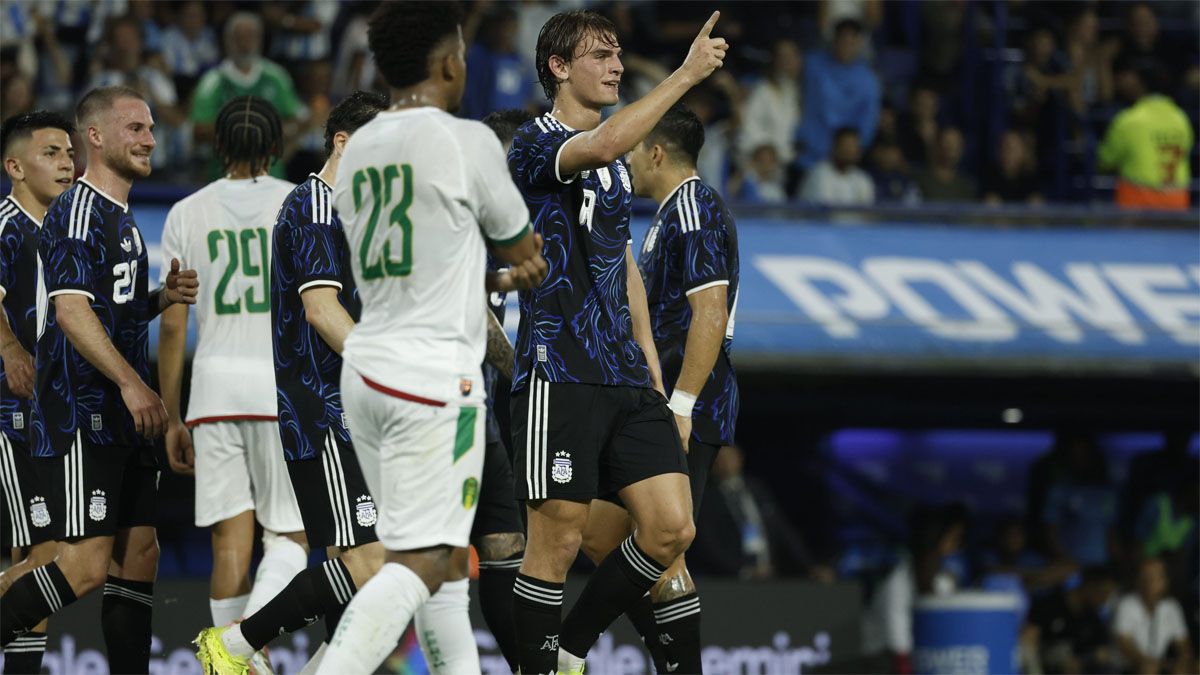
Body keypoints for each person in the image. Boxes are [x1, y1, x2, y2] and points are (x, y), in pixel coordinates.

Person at [315, 3, 548, 673]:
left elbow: (434, 251)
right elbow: (517, 240)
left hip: (366, 370)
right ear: (448, 64)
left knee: (443, 563)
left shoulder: (357, 149)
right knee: (416, 560)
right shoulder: (466, 140)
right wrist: (520, 263)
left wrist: (495, 275)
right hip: (432, 377)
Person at [506, 9, 727, 674]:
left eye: (618, 55)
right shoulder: (534, 145)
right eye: (600, 56)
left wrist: (652, 366)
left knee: (672, 528)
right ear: (558, 67)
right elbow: (600, 147)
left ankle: (571, 649)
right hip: (558, 372)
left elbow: (620, 260)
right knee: (556, 542)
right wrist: (686, 75)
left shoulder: (615, 169)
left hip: (626, 377)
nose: (616, 66)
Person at [0, 87, 199, 673]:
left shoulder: (122, 219)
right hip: (83, 408)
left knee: (140, 554)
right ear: (96, 136)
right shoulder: (77, 210)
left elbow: (111, 311)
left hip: (122, 413)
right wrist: (134, 385)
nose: (149, 139)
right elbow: (70, 311)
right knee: (83, 567)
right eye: (135, 127)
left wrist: (162, 298)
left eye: (151, 128)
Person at [193, 90, 390, 675]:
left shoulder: (362, 212)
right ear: (343, 143)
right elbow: (322, 311)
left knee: (361, 583)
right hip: (325, 411)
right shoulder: (315, 204)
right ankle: (234, 644)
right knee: (377, 562)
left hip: (359, 412)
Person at [561, 103, 739, 674]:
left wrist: (682, 405)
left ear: (657, 153)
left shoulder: (697, 207)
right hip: (652, 402)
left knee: (662, 541)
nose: (629, 158)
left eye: (636, 149)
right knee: (602, 533)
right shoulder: (668, 214)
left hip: (690, 401)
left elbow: (710, 310)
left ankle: (568, 649)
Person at [157, 96, 307, 663]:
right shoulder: (296, 202)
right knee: (291, 538)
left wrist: (172, 414)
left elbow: (173, 328)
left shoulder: (185, 212)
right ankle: (243, 649)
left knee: (228, 543)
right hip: (278, 390)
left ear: (217, 146)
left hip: (213, 394)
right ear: (277, 146)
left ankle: (233, 658)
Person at [0, 110, 76, 675]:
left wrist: (158, 300)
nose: (67, 162)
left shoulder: (63, 230)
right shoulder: (5, 224)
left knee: (43, 555)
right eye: (51, 152)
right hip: (7, 413)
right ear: (15, 167)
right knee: (36, 552)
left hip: (46, 414)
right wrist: (8, 349)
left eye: (69, 152)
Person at [475, 107, 538, 673]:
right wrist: (525, 376)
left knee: (504, 548)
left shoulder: (505, 218)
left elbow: (485, 288)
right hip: (440, 404)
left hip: (482, 414)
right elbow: (470, 307)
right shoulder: (468, 207)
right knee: (418, 567)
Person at [190, 12, 305, 180]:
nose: (245, 44)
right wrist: (245, 129)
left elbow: (298, 120)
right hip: (224, 178)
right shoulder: (213, 81)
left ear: (260, 40)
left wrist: (280, 147)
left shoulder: (276, 77)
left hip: (271, 178)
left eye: (251, 36)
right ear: (227, 41)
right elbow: (198, 130)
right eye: (239, 37)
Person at [1098, 60, 1193, 210]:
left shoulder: (1129, 119)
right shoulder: (1181, 118)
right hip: (1177, 202)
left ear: (1140, 84)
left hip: (1138, 204)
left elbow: (1105, 161)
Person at [798, 18, 880, 170]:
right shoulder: (812, 64)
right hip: (807, 156)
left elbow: (867, 124)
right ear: (834, 40)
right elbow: (783, 69)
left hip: (844, 161)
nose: (846, 46)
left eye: (852, 41)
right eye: (842, 40)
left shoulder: (868, 80)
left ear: (860, 43)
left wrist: (851, 151)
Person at [1021, 566, 1119, 674]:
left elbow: (1102, 652)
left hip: (1080, 667)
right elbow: (1028, 641)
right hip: (1045, 664)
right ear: (1090, 586)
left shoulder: (1093, 618)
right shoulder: (1049, 604)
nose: (1104, 600)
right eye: (1103, 593)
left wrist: (1084, 659)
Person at [1113, 557, 1194, 675]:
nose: (1149, 581)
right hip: (1128, 667)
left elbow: (1184, 645)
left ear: (1165, 580)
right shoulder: (1126, 604)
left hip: (1158, 664)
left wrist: (1182, 662)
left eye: (1155, 576)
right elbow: (1125, 645)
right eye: (1145, 576)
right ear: (1138, 579)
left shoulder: (1171, 607)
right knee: (1148, 669)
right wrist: (1144, 661)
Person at [739, 38, 802, 170]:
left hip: (784, 164)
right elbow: (748, 128)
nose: (787, 61)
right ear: (774, 60)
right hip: (758, 164)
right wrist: (764, 154)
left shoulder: (793, 91)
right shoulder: (761, 91)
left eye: (791, 56)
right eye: (783, 56)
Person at [800, 126, 875, 205]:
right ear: (834, 147)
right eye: (846, 146)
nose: (849, 151)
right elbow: (823, 211)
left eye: (853, 146)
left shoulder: (862, 178)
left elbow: (867, 212)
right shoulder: (819, 174)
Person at [915, 126, 977, 203]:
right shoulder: (921, 181)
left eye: (957, 144)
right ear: (938, 145)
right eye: (948, 142)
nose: (953, 148)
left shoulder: (966, 185)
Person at [981, 130, 1042, 205]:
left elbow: (1037, 210)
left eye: (1013, 149)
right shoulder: (989, 178)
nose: (1008, 153)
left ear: (1022, 152)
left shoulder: (1032, 179)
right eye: (1004, 148)